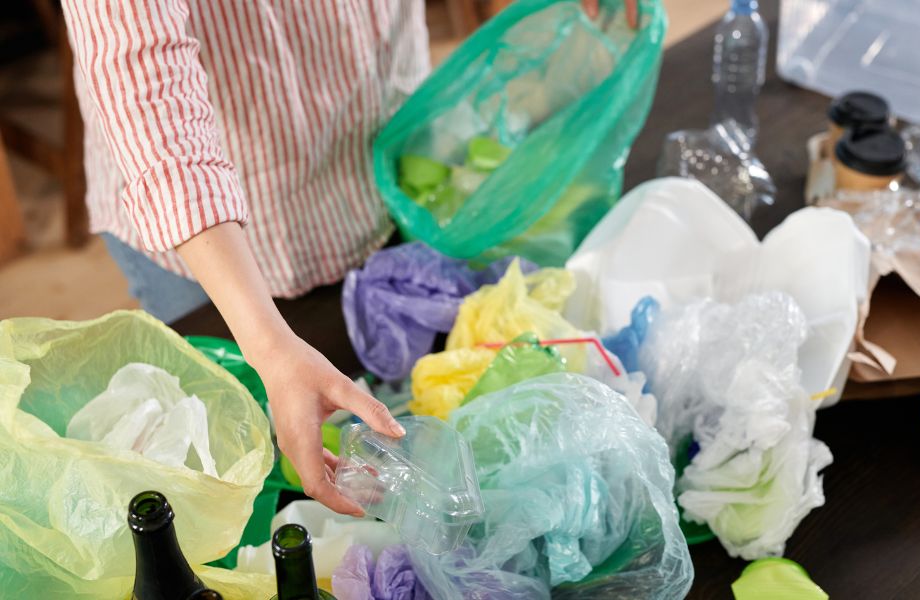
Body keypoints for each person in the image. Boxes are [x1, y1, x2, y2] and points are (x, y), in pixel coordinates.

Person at [61, 0, 638, 516]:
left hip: (378, 153)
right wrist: (268, 345)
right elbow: (142, 74)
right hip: (211, 244)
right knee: (229, 446)